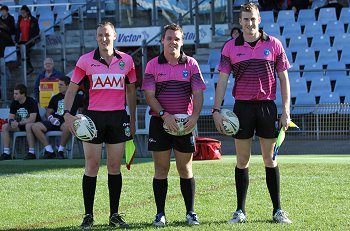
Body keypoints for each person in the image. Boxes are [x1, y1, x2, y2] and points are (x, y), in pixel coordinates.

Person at [212, 3, 292, 224]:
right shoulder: (230, 47)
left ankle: (277, 211)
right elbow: (222, 82)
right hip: (242, 108)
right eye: (245, 19)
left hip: (267, 107)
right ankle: (240, 211)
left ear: (259, 20)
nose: (249, 23)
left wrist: (286, 111)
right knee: (242, 160)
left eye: (253, 19)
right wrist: (216, 110)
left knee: (270, 159)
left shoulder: (273, 44)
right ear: (240, 21)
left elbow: (284, 79)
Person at [63, 21, 136, 229]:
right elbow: (71, 89)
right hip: (92, 118)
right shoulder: (85, 61)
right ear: (96, 38)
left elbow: (131, 92)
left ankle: (114, 215)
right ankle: (88, 215)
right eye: (99, 35)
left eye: (107, 34)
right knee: (92, 166)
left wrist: (131, 118)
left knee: (114, 167)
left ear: (114, 36)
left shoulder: (127, 61)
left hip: (118, 117)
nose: (103, 39)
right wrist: (66, 115)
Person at [142, 23, 206, 227]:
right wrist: (164, 114)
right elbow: (149, 95)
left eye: (177, 39)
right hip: (159, 122)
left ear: (182, 41)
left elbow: (198, 93)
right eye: (169, 38)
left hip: (185, 124)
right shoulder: (152, 65)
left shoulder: (192, 64)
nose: (173, 42)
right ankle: (160, 214)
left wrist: (194, 117)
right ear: (163, 40)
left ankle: (190, 213)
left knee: (185, 168)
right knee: (161, 169)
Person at [31, 76, 83, 159]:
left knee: (67, 126)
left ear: (68, 86)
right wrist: (51, 118)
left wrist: (78, 117)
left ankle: (60, 150)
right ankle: (49, 150)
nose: (58, 87)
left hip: (66, 121)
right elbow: (48, 112)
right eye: (58, 85)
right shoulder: (55, 97)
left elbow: (83, 109)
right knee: (35, 126)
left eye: (61, 85)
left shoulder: (77, 97)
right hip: (54, 120)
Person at [0, 84, 41, 161]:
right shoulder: (14, 103)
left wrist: (18, 123)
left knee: (28, 125)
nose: (14, 95)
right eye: (14, 93)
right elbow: (10, 117)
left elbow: (32, 119)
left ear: (23, 94)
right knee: (4, 126)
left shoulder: (31, 101)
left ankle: (31, 153)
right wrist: (12, 122)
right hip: (19, 126)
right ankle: (6, 153)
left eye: (16, 94)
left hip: (33, 126)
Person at [15, 5, 40, 74]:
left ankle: (29, 67)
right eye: (21, 13)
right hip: (21, 39)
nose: (22, 14)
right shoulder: (20, 19)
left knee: (24, 50)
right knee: (17, 49)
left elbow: (37, 31)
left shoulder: (33, 20)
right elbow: (17, 31)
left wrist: (33, 39)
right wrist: (16, 41)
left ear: (27, 12)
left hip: (30, 40)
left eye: (23, 13)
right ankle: (19, 63)